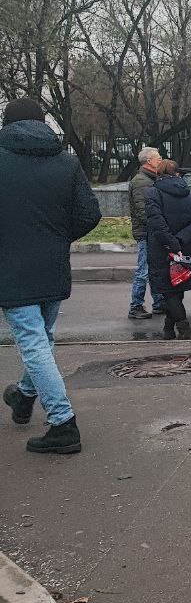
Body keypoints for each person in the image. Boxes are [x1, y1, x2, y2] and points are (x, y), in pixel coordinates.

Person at [0, 97, 101, 454]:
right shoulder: (67, 162)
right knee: (42, 338)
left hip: (11, 270)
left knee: (33, 343)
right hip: (54, 266)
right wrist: (56, 239)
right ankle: (25, 396)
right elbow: (89, 214)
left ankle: (62, 423)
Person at [144, 160, 191, 340]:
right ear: (177, 174)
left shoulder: (153, 193)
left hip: (161, 249)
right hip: (184, 248)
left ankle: (184, 330)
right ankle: (168, 329)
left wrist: (171, 242)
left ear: (158, 173)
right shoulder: (190, 195)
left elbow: (157, 223)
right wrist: (180, 240)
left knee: (168, 291)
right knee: (178, 288)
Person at [128, 146, 164, 319]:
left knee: (154, 268)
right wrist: (159, 227)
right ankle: (136, 306)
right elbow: (144, 211)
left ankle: (159, 303)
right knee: (143, 270)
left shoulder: (150, 179)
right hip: (146, 233)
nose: (161, 160)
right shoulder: (142, 181)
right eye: (158, 157)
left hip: (150, 232)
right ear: (149, 161)